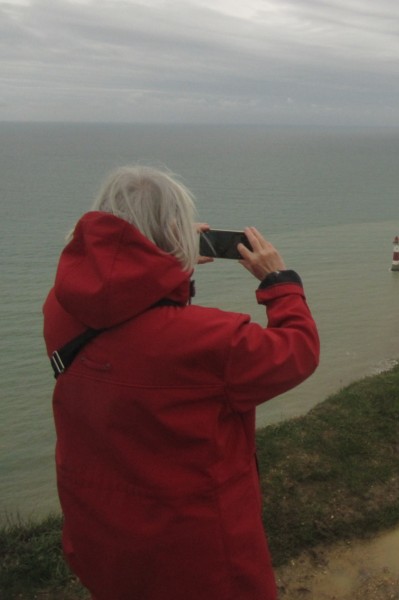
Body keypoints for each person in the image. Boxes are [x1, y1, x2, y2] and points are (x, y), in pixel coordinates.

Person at [42, 166, 320, 599]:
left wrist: (164, 263)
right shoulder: (213, 342)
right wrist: (279, 283)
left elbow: (129, 314)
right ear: (172, 233)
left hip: (103, 535)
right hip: (197, 555)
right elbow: (297, 352)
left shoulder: (60, 309)